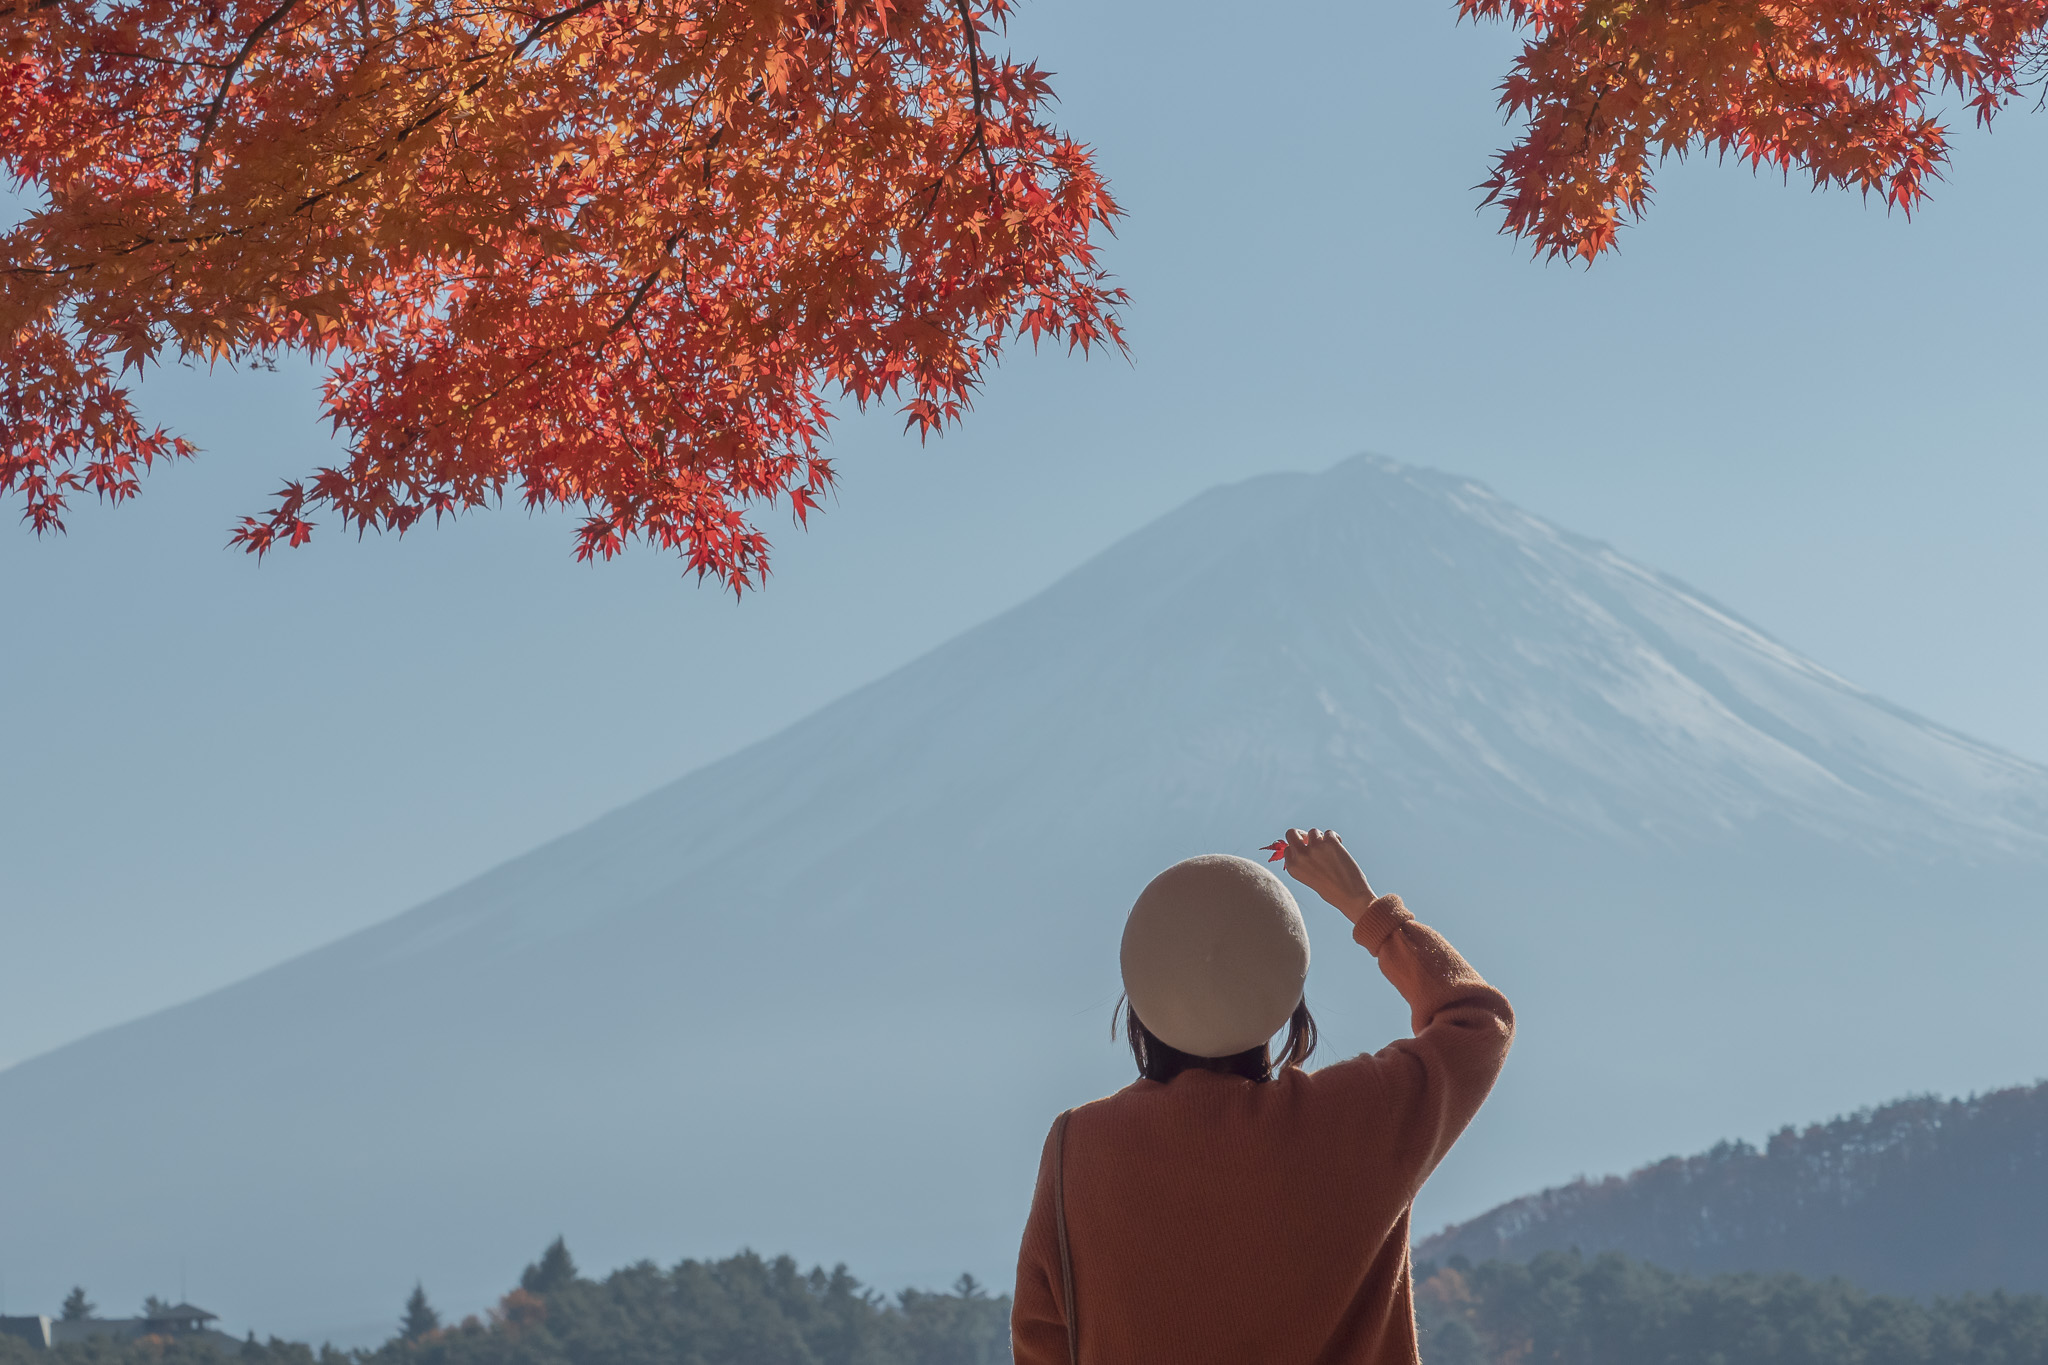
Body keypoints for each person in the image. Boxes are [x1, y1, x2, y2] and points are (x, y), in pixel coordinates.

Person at [1011, 827, 1514, 1364]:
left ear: (1138, 1002)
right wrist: (1365, 908)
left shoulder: (1079, 1149)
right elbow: (1479, 1023)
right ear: (1288, 1000)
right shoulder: (1360, 1118)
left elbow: (1041, 1342)